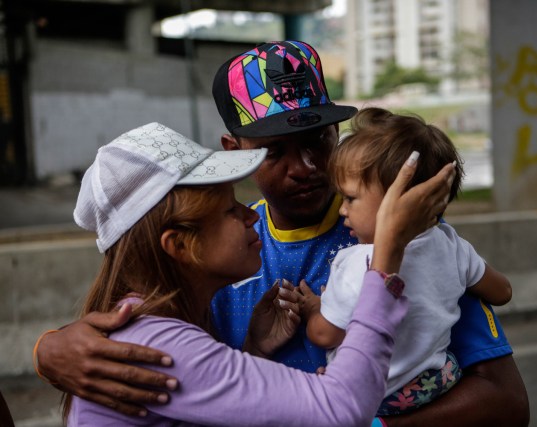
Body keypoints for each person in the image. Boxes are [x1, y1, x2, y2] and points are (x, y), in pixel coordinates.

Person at [35, 41, 529, 426]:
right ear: (235, 148)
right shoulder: (222, 254)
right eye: (276, 151)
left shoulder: (400, 234)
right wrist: (52, 348)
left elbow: (505, 403)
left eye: (319, 139)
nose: (308, 167)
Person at [61, 121, 453, 425]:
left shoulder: (153, 327)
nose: (252, 214)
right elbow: (341, 409)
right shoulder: (154, 344)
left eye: (317, 140)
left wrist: (251, 352)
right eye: (231, 211)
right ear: (179, 245)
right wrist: (386, 257)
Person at [299, 107, 512, 417]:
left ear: (401, 199)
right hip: (438, 383)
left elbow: (324, 334)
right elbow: (502, 292)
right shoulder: (452, 244)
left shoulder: (357, 263)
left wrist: (314, 309)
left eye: (350, 198)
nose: (342, 210)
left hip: (378, 397)